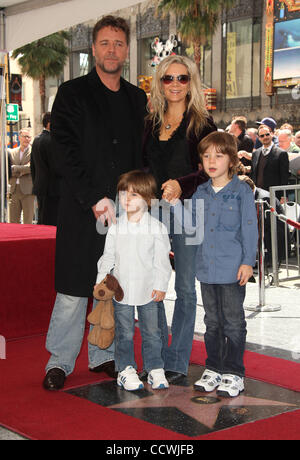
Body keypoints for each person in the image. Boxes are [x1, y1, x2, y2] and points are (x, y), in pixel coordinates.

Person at [43, 15, 147, 391]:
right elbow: (63, 152)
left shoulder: (138, 99)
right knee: (73, 290)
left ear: (126, 51)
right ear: (93, 48)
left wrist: (138, 202)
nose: (112, 50)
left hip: (125, 215)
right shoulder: (72, 93)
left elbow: (143, 154)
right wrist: (93, 198)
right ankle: (59, 361)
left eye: (119, 43)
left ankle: (104, 354)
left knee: (116, 286)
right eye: (105, 43)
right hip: (81, 210)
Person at [143, 54, 217, 383]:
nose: (175, 84)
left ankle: (178, 357)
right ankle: (156, 354)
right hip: (153, 213)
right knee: (153, 285)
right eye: (168, 78)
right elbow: (141, 165)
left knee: (185, 289)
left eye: (182, 78)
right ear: (160, 83)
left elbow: (212, 168)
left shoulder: (201, 123)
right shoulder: (150, 122)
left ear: (192, 83)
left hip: (188, 211)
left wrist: (181, 184)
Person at [172, 131, 258, 398]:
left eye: (218, 156)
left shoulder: (241, 191)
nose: (211, 161)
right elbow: (191, 228)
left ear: (231, 160)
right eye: (206, 156)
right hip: (207, 270)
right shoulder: (200, 192)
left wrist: (248, 262)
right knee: (211, 322)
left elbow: (250, 229)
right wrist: (175, 205)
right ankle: (214, 367)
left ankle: (234, 372)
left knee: (233, 322)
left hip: (232, 270)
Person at [96, 170, 172, 391]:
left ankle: (155, 368)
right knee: (124, 332)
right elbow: (108, 256)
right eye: (123, 194)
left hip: (149, 290)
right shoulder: (116, 228)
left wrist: (161, 285)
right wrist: (101, 281)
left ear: (148, 199)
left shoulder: (157, 227)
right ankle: (126, 369)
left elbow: (162, 261)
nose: (126, 199)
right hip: (121, 291)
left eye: (134, 195)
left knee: (152, 332)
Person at [31, 112, 60, 225]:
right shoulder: (52, 140)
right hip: (53, 188)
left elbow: (33, 167)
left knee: (41, 218)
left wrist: (35, 183)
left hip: (40, 186)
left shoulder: (36, 140)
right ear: (49, 124)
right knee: (51, 220)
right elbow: (55, 166)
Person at [251, 124, 289, 199]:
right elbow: (253, 174)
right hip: (258, 195)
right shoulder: (255, 153)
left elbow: (284, 177)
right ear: (259, 138)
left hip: (274, 195)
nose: (265, 137)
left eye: (267, 134)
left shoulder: (281, 153)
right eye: (262, 136)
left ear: (272, 134)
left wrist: (284, 195)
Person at [8, 128, 35, 224]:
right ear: (19, 137)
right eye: (25, 137)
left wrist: (15, 167)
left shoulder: (34, 152)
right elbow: (8, 169)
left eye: (29, 137)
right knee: (13, 222)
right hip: (14, 190)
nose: (27, 139)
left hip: (28, 191)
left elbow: (31, 168)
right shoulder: (11, 152)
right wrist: (22, 169)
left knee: (28, 221)